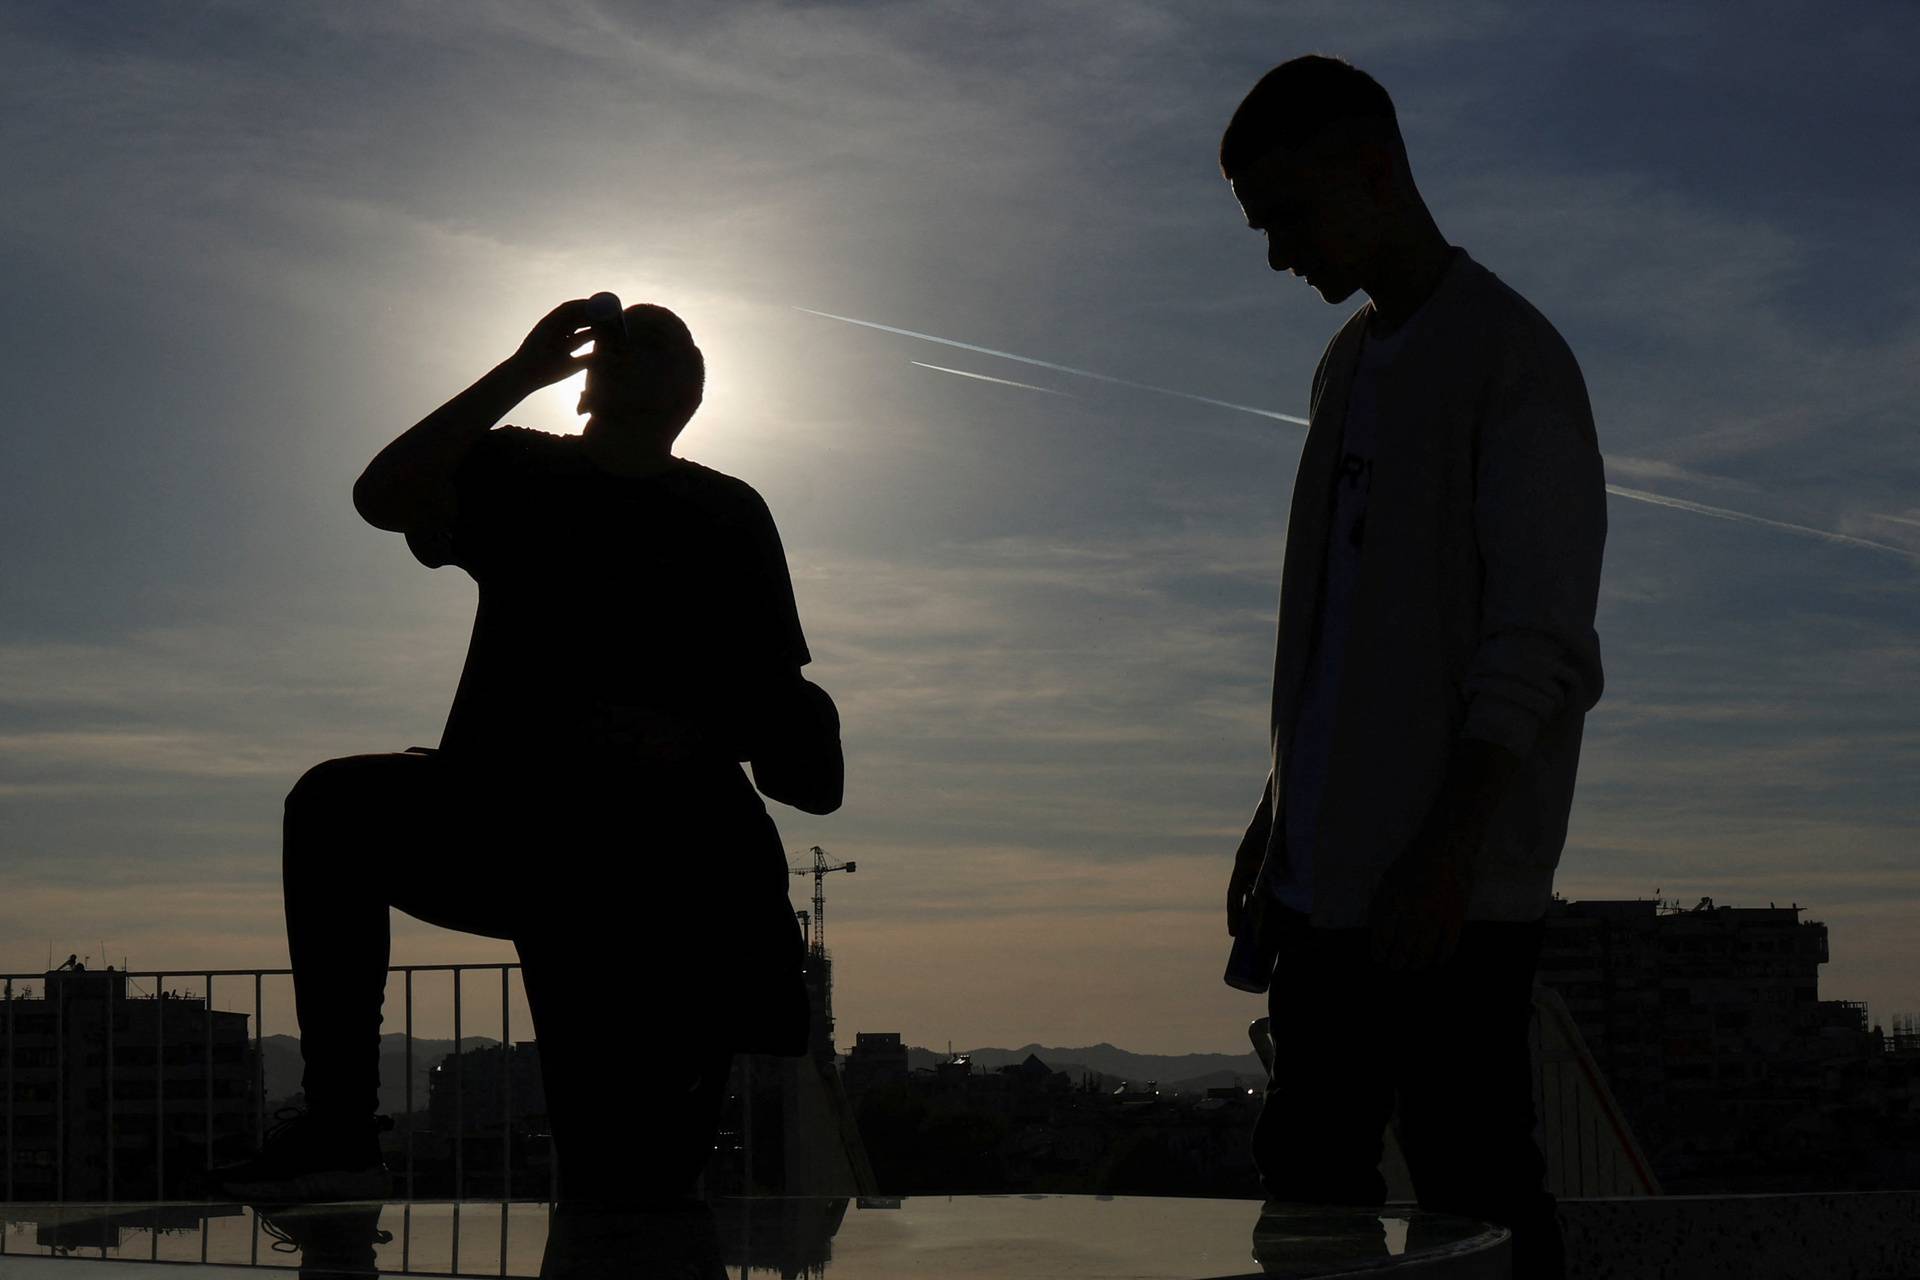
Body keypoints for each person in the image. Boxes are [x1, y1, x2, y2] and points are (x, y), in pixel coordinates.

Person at [216, 298, 842, 1202]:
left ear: (694, 387)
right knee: (332, 806)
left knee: (632, 1181)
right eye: (622, 344)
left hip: (665, 866)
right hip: (515, 829)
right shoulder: (518, 468)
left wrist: (679, 734)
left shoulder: (726, 509)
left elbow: (771, 696)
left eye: (664, 344)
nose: (638, 351)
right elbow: (380, 496)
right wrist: (521, 371)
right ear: (586, 386)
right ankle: (340, 1128)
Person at [1218, 56, 1606, 1279]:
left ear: (1375, 173)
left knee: (1477, 1185)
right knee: (1311, 1194)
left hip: (1450, 897)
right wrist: (1278, 817)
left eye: (1289, 215)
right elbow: (1341, 633)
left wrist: (1449, 853)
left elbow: (1537, 642)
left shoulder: (1512, 359)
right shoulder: (1345, 367)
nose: (1278, 255)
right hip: (1325, 893)